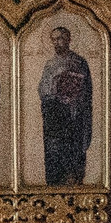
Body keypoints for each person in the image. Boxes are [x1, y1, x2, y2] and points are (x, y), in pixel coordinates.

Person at [35, 25, 92, 186]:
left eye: (60, 38)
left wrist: (72, 98)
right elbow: (42, 90)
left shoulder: (79, 62)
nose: (57, 43)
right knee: (54, 159)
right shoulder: (50, 64)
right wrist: (54, 90)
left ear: (68, 39)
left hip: (73, 120)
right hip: (54, 120)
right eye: (54, 39)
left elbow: (86, 92)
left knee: (72, 162)